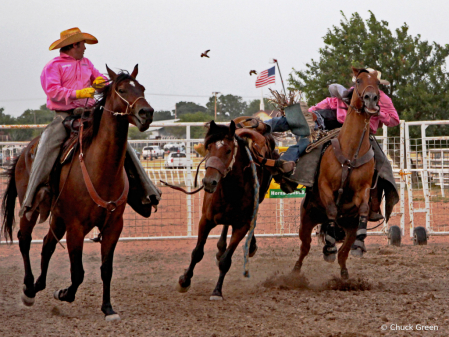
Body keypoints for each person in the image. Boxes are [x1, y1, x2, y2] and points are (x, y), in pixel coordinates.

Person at [20, 27, 161, 222]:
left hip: (90, 115)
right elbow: (52, 91)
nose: (85, 48)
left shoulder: (87, 64)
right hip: (64, 116)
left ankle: (147, 191)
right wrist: (77, 94)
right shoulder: (53, 66)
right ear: (75, 45)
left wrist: (114, 84)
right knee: (47, 145)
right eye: (83, 44)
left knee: (121, 144)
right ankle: (33, 197)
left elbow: (102, 82)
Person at [308, 68, 400, 256]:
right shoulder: (349, 95)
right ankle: (310, 189)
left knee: (383, 166)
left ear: (377, 84)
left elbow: (394, 120)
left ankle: (375, 205)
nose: (368, 85)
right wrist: (313, 116)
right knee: (314, 155)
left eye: (372, 82)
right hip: (340, 134)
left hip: (367, 137)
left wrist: (377, 112)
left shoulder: (384, 99)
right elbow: (316, 109)